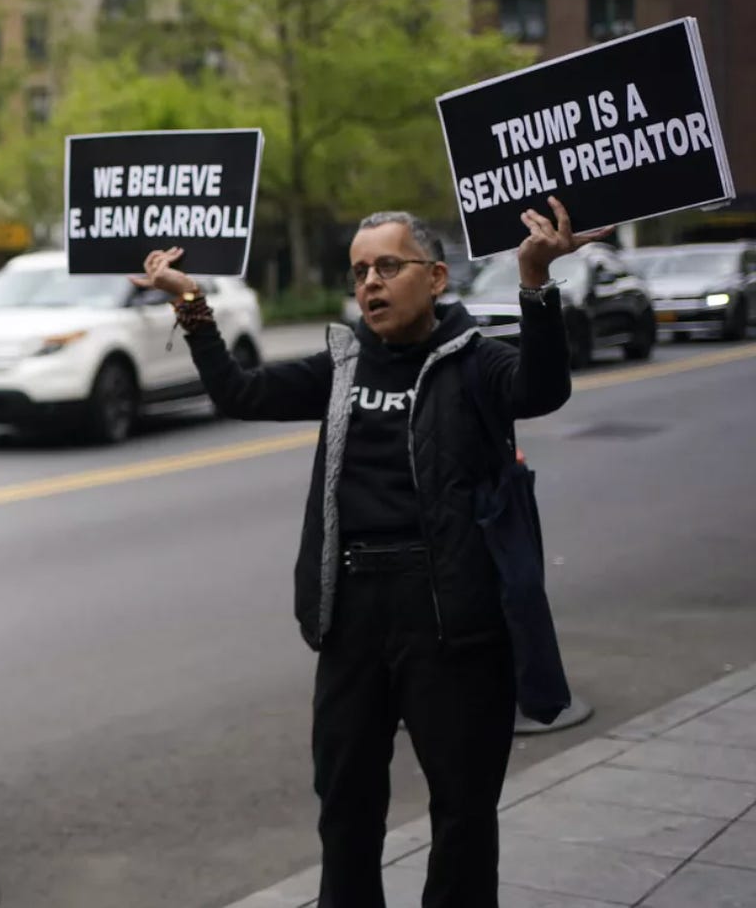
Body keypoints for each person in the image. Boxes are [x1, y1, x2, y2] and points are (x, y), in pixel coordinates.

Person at [132, 198, 603, 908]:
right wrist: (191, 299)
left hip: (452, 618)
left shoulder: (476, 363)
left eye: (388, 265)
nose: (370, 284)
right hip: (352, 615)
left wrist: (533, 279)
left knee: (463, 809)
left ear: (437, 276)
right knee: (346, 805)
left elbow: (543, 388)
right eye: (359, 272)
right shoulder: (342, 365)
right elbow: (239, 392)